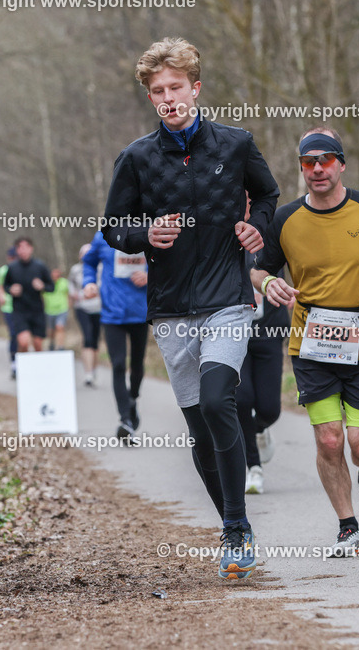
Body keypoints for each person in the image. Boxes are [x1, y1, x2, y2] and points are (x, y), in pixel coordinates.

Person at [101, 37, 280, 579]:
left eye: (176, 87)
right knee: (200, 427)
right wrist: (144, 235)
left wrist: (256, 227)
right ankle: (232, 524)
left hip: (227, 299)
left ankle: (236, 528)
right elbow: (113, 226)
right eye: (158, 91)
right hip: (172, 307)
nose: (168, 98)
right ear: (150, 98)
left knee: (220, 399)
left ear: (195, 88)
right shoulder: (136, 158)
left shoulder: (236, 144)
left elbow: (268, 195)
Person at [252, 126, 359, 557]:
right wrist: (268, 283)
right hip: (312, 342)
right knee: (328, 440)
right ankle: (346, 526)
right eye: (309, 162)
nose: (317, 169)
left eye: (325, 160)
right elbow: (259, 268)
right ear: (301, 168)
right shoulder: (285, 219)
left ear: (341, 164)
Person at [81, 231, 148, 441]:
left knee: (137, 365)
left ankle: (132, 398)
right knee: (118, 364)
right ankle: (125, 419)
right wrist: (88, 282)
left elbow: (168, 262)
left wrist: (150, 275)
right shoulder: (103, 236)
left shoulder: (148, 230)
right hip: (112, 312)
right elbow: (89, 262)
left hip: (140, 311)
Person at [237, 250, 291, 495]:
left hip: (270, 330)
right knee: (242, 400)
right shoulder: (222, 234)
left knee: (270, 410)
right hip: (233, 332)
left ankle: (258, 428)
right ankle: (253, 467)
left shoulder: (274, 235)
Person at [2, 237, 54, 354]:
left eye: (26, 247)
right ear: (16, 250)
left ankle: (37, 365)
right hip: (19, 311)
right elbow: (5, 286)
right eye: (20, 248)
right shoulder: (12, 268)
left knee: (38, 344)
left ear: (31, 248)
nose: (23, 250)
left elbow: (51, 287)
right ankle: (20, 363)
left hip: (37, 310)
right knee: (23, 342)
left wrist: (42, 286)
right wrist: (11, 289)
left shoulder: (40, 266)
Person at [69, 243, 102, 386]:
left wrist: (95, 292)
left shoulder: (101, 268)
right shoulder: (75, 270)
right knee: (87, 338)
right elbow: (70, 285)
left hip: (98, 308)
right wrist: (76, 294)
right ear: (80, 256)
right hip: (81, 307)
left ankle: (93, 371)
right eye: (84, 253)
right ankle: (88, 374)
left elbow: (104, 286)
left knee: (95, 341)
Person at [0, 248, 20, 378]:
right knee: (13, 335)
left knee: (24, 337)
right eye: (11, 258)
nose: (12, 260)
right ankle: (14, 364)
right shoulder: (3, 271)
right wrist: (1, 296)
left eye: (14, 257)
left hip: (23, 308)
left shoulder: (23, 269)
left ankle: (25, 361)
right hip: (8, 307)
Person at [43, 268, 69, 350]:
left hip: (62, 309)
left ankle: (61, 346)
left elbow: (68, 294)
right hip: (49, 310)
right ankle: (52, 343)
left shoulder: (64, 282)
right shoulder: (46, 283)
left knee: (60, 327)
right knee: (51, 330)